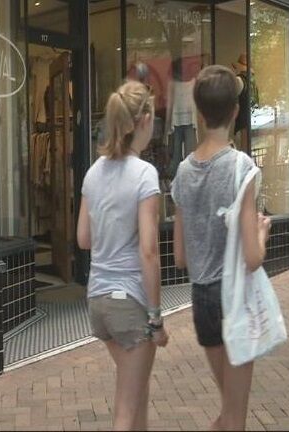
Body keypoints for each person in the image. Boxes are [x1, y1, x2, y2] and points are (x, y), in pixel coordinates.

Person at [171, 65, 271, 431]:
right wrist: (262, 232)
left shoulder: (182, 171)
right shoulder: (241, 167)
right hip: (234, 299)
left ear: (198, 113)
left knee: (229, 411)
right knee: (235, 417)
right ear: (235, 112)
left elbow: (180, 257)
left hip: (202, 300)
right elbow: (252, 257)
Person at [77, 80, 169, 431]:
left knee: (136, 396)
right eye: (154, 117)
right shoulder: (145, 174)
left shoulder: (92, 173)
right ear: (143, 119)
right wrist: (157, 318)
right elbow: (148, 251)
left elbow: (83, 238)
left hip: (98, 301)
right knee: (126, 413)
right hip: (130, 303)